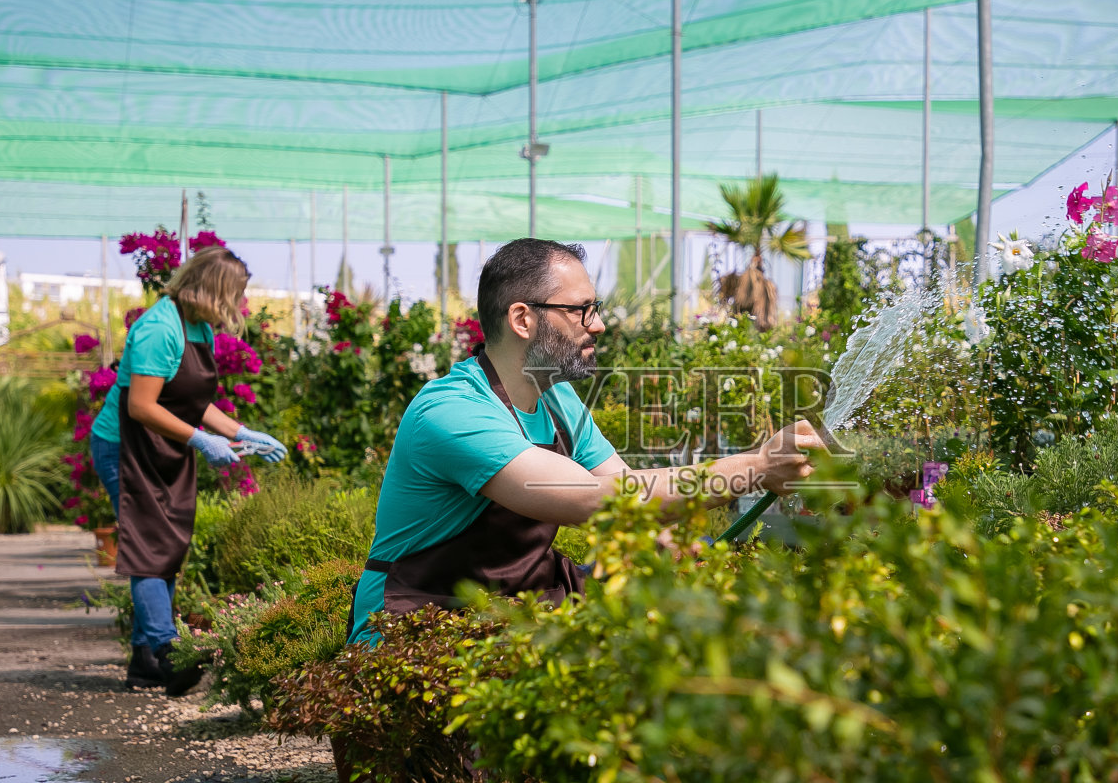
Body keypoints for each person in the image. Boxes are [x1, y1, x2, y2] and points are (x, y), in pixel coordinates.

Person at [349, 238, 823, 643]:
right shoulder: (453, 410)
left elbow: (626, 490)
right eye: (582, 310)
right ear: (522, 319)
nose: (597, 324)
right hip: (418, 621)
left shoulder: (558, 399)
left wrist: (669, 540)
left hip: (513, 607)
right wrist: (755, 467)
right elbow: (597, 501)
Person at [89, 246, 287, 693]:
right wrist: (199, 439)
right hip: (126, 447)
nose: (239, 306)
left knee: (167, 544)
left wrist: (241, 431)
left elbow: (195, 402)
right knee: (148, 547)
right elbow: (140, 406)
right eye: (235, 296)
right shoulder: (160, 329)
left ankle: (144, 662)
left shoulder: (197, 327)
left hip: (163, 446)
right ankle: (167, 651)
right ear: (212, 291)